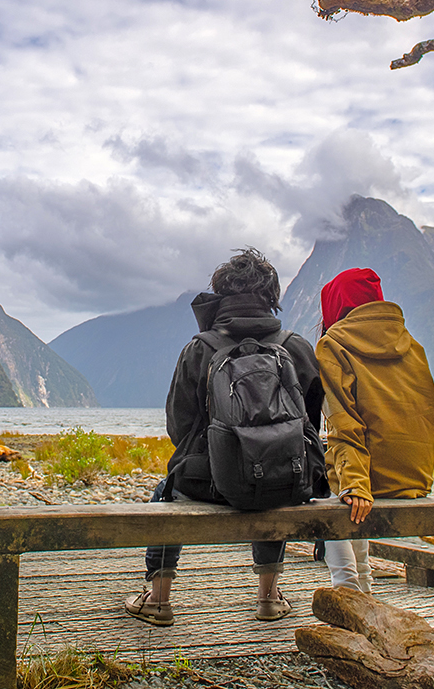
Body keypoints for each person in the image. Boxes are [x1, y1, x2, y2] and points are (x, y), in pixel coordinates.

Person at [123, 248, 326, 627]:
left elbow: (178, 426)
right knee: (275, 473)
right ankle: (268, 598)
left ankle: (158, 599)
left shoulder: (200, 348)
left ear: (219, 296)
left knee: (167, 491)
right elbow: (308, 425)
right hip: (283, 481)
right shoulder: (296, 347)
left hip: (208, 484)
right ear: (272, 297)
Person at [316, 267, 434, 592]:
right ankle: (365, 586)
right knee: (348, 481)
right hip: (413, 478)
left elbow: (344, 423)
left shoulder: (333, 345)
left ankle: (347, 589)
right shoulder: (412, 345)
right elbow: (428, 413)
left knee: (330, 487)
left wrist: (355, 484)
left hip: (370, 483)